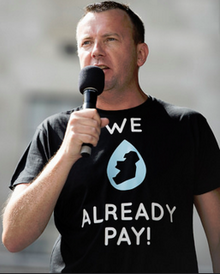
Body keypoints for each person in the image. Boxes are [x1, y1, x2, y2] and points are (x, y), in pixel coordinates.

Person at [2, 1, 220, 273]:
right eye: (86, 43)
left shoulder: (186, 127)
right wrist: (66, 154)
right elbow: (13, 238)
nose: (96, 52)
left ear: (140, 54)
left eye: (110, 39)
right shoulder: (56, 130)